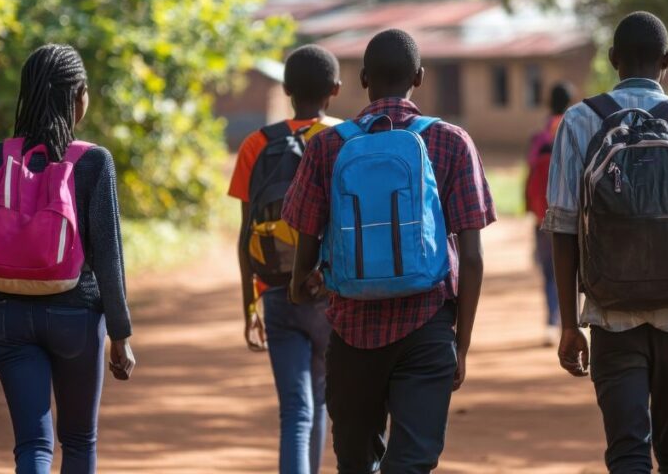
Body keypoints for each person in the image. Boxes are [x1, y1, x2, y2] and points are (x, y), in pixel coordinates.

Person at [543, 11, 668, 473]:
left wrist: (570, 325)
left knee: (628, 453)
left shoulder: (578, 122)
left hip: (611, 315)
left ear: (613, 59)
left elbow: (563, 228)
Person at [283, 29, 496, 474]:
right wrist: (462, 343)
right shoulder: (451, 141)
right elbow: (472, 258)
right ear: (418, 77)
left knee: (356, 463)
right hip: (427, 325)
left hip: (351, 331)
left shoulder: (327, 146)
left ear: (362, 79)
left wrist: (305, 289)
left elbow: (303, 266)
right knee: (412, 461)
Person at [0, 44, 135, 474]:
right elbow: (109, 254)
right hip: (77, 316)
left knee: (33, 446)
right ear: (79, 96)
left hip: (8, 317)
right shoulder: (94, 161)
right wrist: (121, 333)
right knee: (78, 441)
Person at [227, 44, 342, 474]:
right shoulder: (345, 139)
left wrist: (249, 306)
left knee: (295, 410)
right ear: (336, 89)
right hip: (332, 292)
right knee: (322, 402)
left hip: (276, 291)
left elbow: (244, 236)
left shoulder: (255, 144)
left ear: (287, 89)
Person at [524, 82, 572, 346]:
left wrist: (530, 208)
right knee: (573, 268)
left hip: (543, 213)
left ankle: (552, 323)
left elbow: (530, 173)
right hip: (571, 215)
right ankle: (571, 322)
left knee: (549, 271)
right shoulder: (575, 129)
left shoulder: (540, 137)